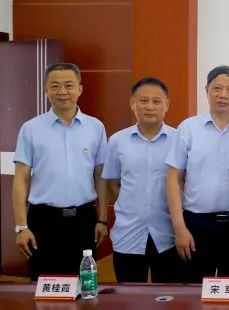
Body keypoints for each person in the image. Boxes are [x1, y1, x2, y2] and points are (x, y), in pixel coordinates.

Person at [12, 63, 109, 280]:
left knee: (84, 285)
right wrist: (21, 227)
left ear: (79, 89)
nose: (62, 91)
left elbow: (101, 176)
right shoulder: (31, 129)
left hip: (83, 220)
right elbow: (21, 180)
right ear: (46, 90)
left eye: (68, 85)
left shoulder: (95, 127)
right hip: (43, 221)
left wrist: (102, 220)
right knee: (45, 285)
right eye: (55, 86)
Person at [165, 66, 229, 281]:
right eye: (217, 88)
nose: (223, 95)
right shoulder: (188, 128)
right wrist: (179, 228)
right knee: (193, 291)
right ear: (206, 90)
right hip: (196, 224)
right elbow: (173, 178)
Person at [102, 77, 179, 283]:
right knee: (128, 297)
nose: (150, 107)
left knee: (168, 297)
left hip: (169, 235)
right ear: (132, 104)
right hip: (128, 234)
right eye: (143, 101)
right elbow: (112, 183)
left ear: (166, 105)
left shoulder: (179, 140)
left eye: (156, 101)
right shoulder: (117, 141)